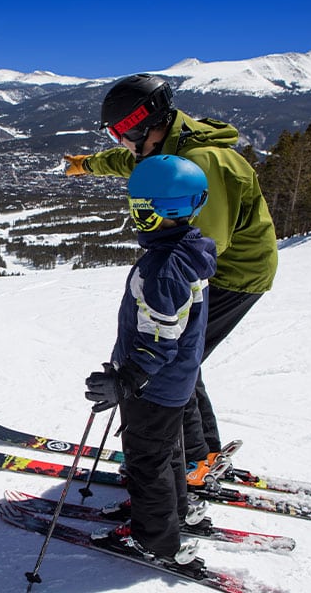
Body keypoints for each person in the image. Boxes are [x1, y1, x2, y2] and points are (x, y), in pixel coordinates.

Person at [65, 74, 278, 484]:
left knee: (174, 361)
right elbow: (133, 162)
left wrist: (161, 285)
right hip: (219, 265)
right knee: (185, 360)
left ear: (141, 124)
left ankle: (192, 461)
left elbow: (201, 246)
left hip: (236, 273)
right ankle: (202, 454)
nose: (119, 140)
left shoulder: (202, 164)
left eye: (119, 132)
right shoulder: (170, 147)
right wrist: (88, 165)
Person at [84, 154, 217, 566]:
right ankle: (173, 513)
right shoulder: (189, 250)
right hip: (174, 382)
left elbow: (158, 339)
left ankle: (156, 540)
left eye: (140, 207)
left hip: (154, 386)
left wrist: (126, 380)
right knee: (166, 452)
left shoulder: (162, 268)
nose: (134, 215)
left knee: (146, 461)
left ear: (164, 210)